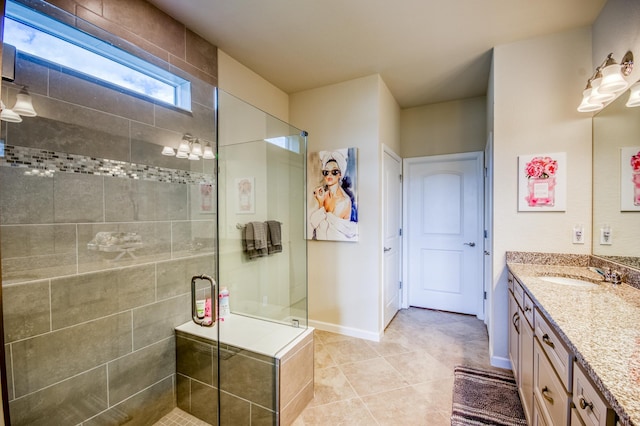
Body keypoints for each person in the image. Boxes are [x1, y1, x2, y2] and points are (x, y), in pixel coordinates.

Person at [308, 150, 358, 241]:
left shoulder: (344, 201)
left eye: (334, 171)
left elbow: (331, 234)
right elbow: (312, 224)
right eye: (326, 172)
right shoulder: (322, 196)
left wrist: (320, 204)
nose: (329, 175)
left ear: (340, 174)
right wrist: (320, 202)